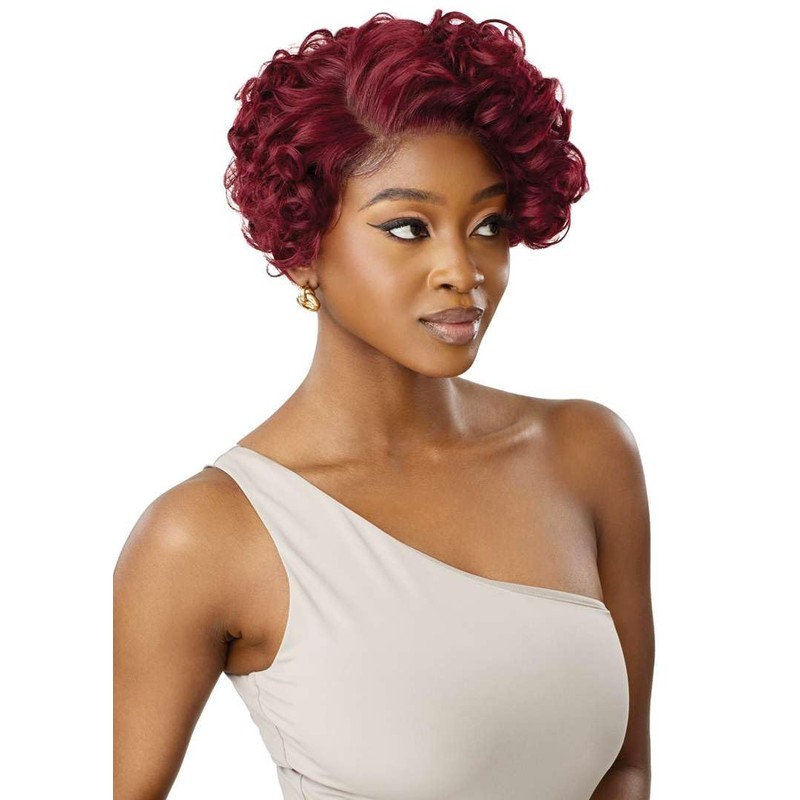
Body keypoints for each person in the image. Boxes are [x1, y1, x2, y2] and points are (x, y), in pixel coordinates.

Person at [113, 9, 653, 799]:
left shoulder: (587, 453)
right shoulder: (205, 536)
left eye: (489, 224)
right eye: (408, 227)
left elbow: (626, 769)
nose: (463, 270)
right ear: (301, 247)